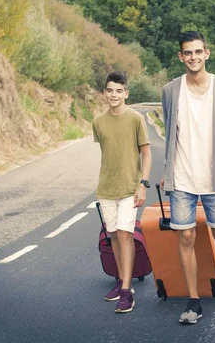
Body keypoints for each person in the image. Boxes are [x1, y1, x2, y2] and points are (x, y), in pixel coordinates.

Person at [160, 31, 215, 324]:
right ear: (181, 57)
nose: (193, 57)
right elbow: (171, 136)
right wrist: (167, 173)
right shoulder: (170, 91)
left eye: (198, 52)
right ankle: (193, 301)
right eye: (187, 53)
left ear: (207, 53)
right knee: (186, 237)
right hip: (181, 177)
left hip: (214, 177)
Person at [93, 71, 152, 314]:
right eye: (110, 90)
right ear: (104, 93)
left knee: (126, 235)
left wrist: (143, 184)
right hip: (106, 189)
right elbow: (107, 155)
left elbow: (146, 153)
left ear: (126, 93)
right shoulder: (98, 122)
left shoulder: (136, 119)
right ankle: (120, 280)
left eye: (119, 90)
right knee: (114, 236)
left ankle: (127, 291)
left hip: (130, 187)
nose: (114, 95)